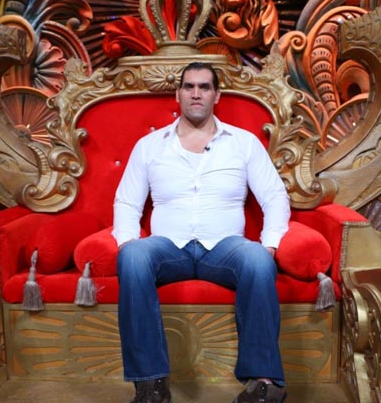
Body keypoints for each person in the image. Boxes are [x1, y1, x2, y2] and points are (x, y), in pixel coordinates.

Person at [112, 62, 290, 403]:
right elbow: (127, 202)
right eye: (189, 86)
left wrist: (268, 245)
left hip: (224, 248)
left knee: (257, 260)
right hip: (168, 248)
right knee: (132, 256)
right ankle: (151, 386)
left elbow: (274, 197)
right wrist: (127, 240)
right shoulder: (149, 146)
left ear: (216, 95)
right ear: (178, 94)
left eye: (204, 87)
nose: (196, 93)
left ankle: (263, 385)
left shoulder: (244, 143)